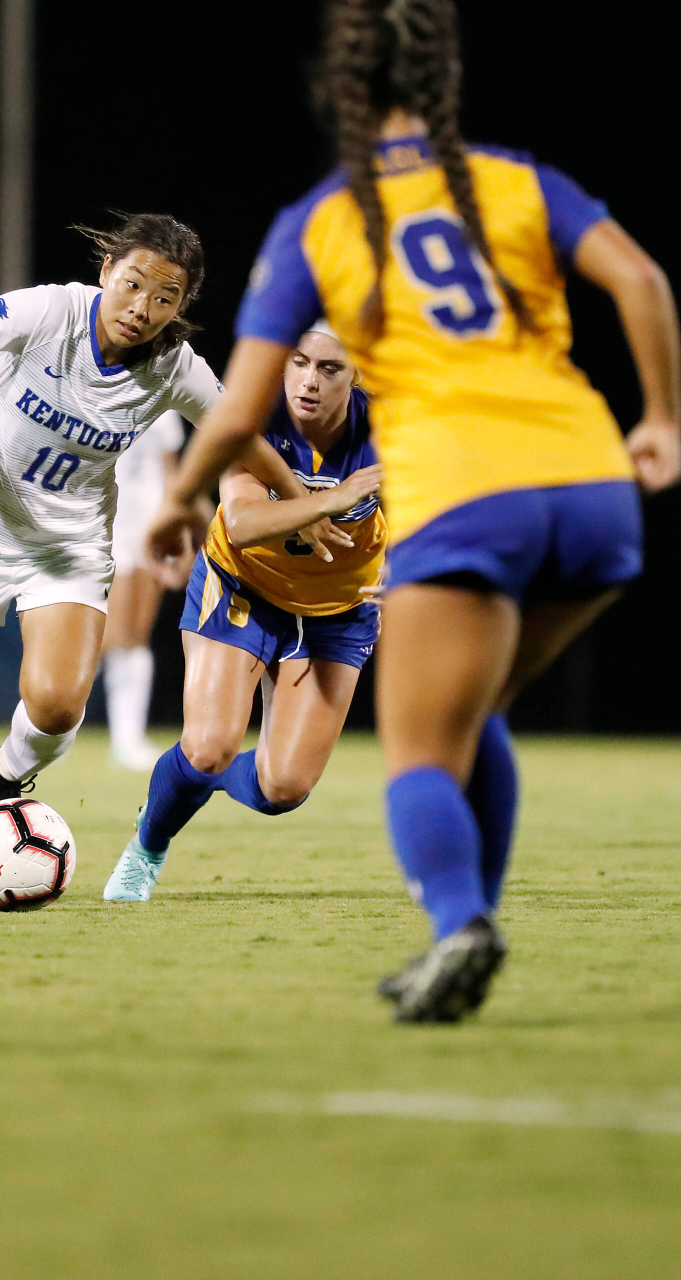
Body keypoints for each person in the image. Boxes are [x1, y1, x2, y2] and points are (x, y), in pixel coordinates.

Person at [141, 1, 681, 1021]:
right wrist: (661, 417)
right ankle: (465, 925)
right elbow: (642, 278)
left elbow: (237, 407)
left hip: (471, 492)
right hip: (596, 483)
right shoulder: (518, 180)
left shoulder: (325, 219)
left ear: (340, 92)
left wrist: (176, 504)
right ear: (442, 85)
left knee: (422, 747)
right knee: (476, 711)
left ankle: (459, 924)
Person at [0, 213, 319, 904]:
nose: (141, 307)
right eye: (132, 284)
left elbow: (236, 430)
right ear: (105, 273)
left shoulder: (173, 367)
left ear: (182, 306)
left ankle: (3, 778)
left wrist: (303, 502)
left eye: (164, 297)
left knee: (57, 706)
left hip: (67, 547)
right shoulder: (51, 310)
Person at [102, 325, 384, 901]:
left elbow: (445, 506)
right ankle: (148, 847)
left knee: (284, 788)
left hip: (338, 609)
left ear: (359, 373)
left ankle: (198, 782)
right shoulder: (249, 413)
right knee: (207, 745)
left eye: (330, 368)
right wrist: (331, 497)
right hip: (243, 587)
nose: (309, 380)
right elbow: (243, 523)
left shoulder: (393, 427)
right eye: (299, 362)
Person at [102, 409, 191, 772]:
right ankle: (48, 714)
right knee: (113, 633)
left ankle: (128, 738)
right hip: (110, 519)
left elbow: (171, 474)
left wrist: (178, 529)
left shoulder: (165, 405)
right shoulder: (104, 392)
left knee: (137, 633)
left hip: (148, 522)